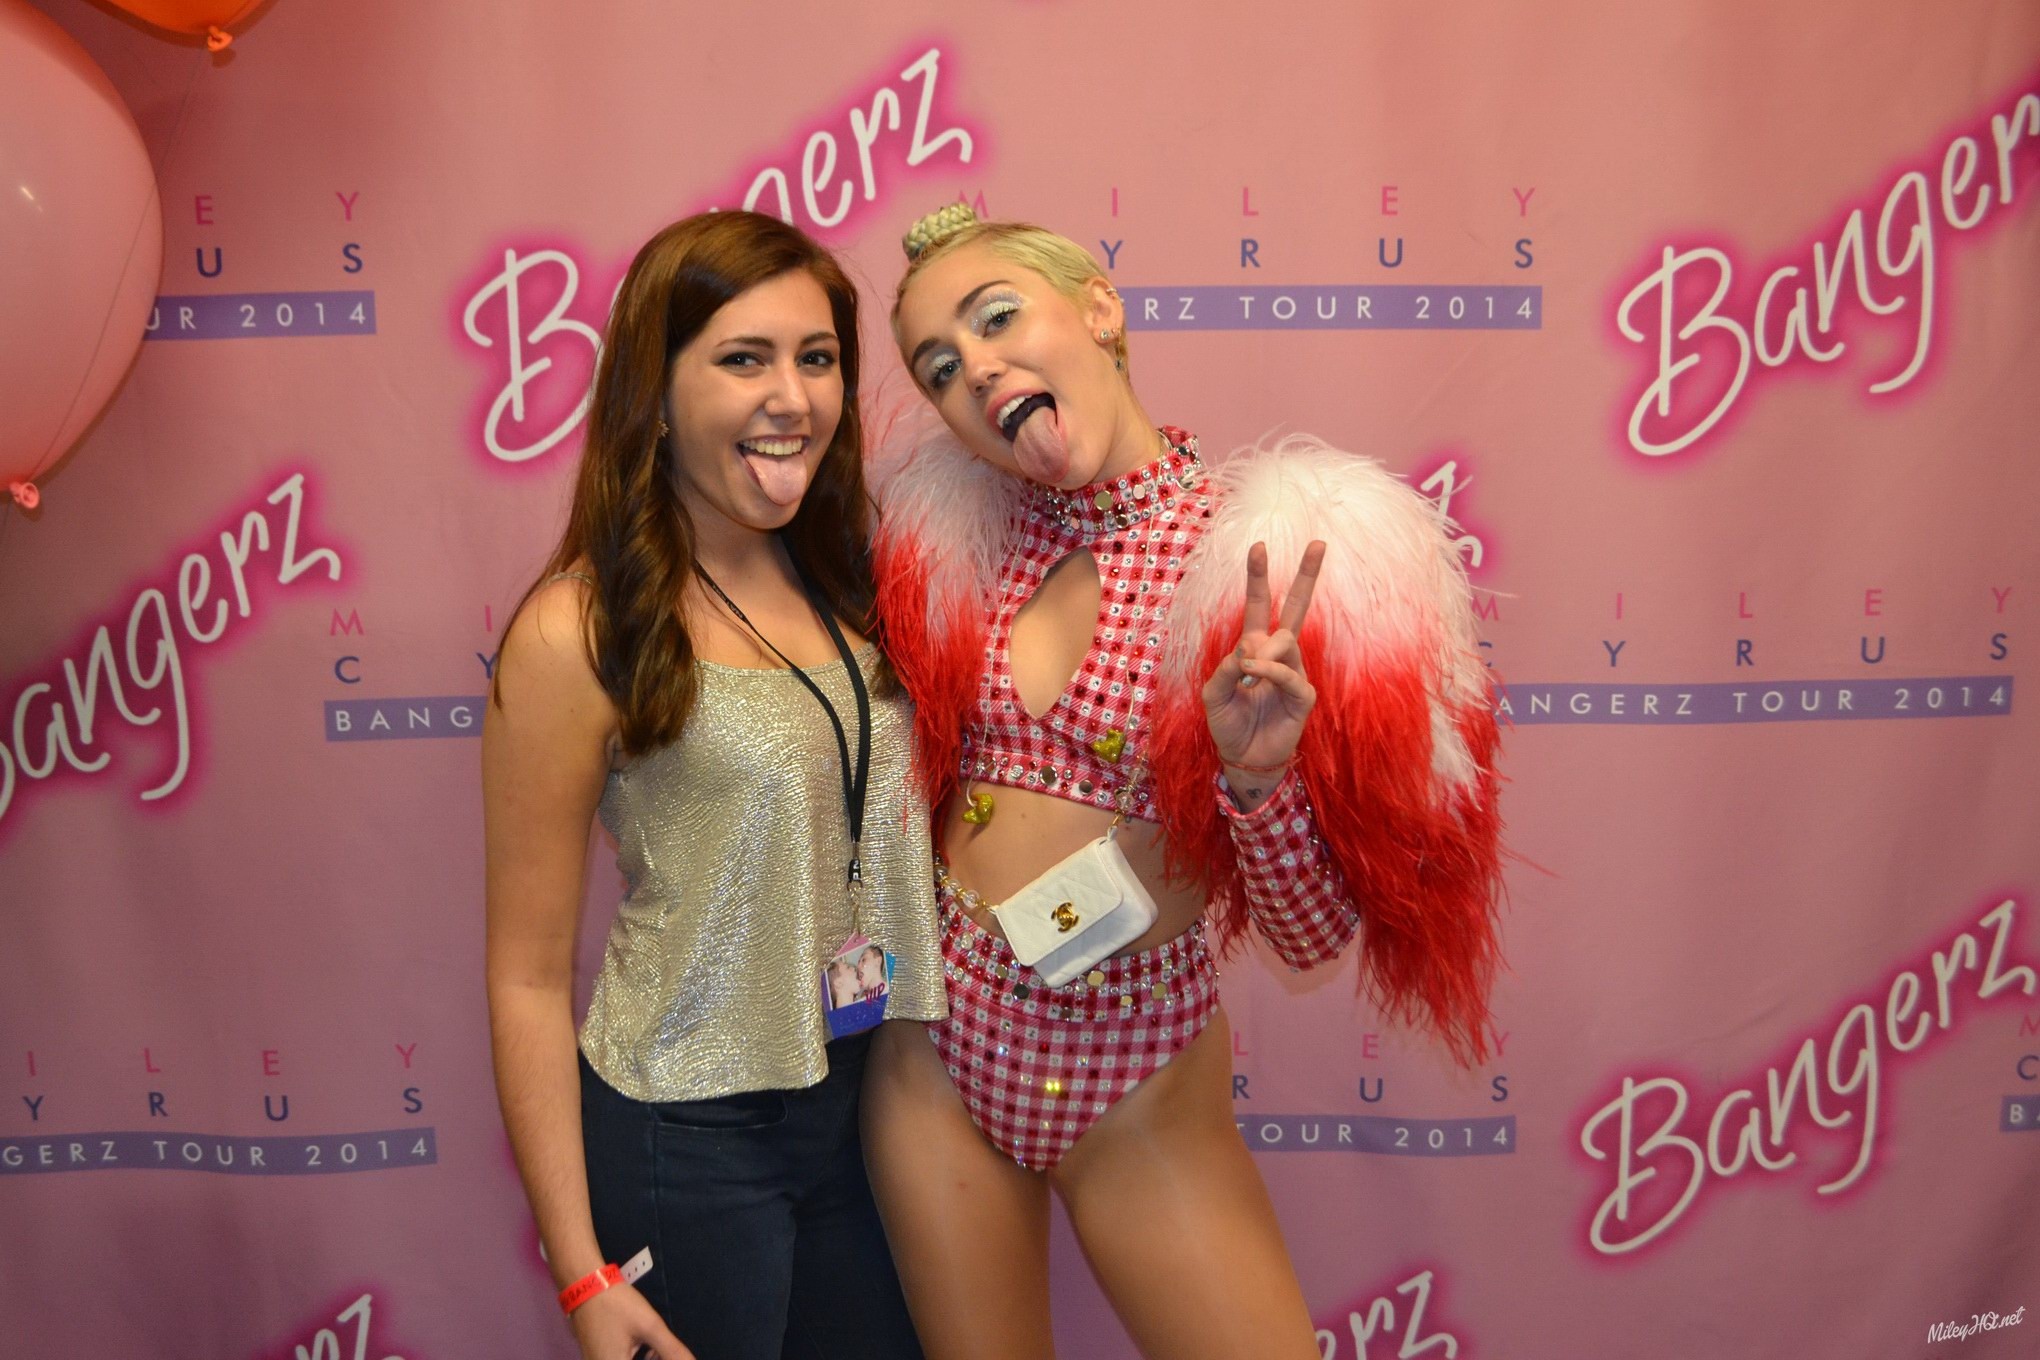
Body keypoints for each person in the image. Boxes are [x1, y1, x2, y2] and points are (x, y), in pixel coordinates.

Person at [862, 204, 1506, 1360]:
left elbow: (1311, 942)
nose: (978, 370)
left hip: (1135, 1083)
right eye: (941, 367)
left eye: (999, 315)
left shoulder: (1258, 564)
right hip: (933, 1065)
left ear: (1099, 309)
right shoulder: (956, 546)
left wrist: (1257, 780)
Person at [483, 211, 938, 1360]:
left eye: (818, 357)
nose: (793, 396)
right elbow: (528, 973)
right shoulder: (578, 628)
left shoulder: (848, 578)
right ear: (659, 385)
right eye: (744, 359)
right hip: (686, 1135)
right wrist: (582, 1273)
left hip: (861, 1107)